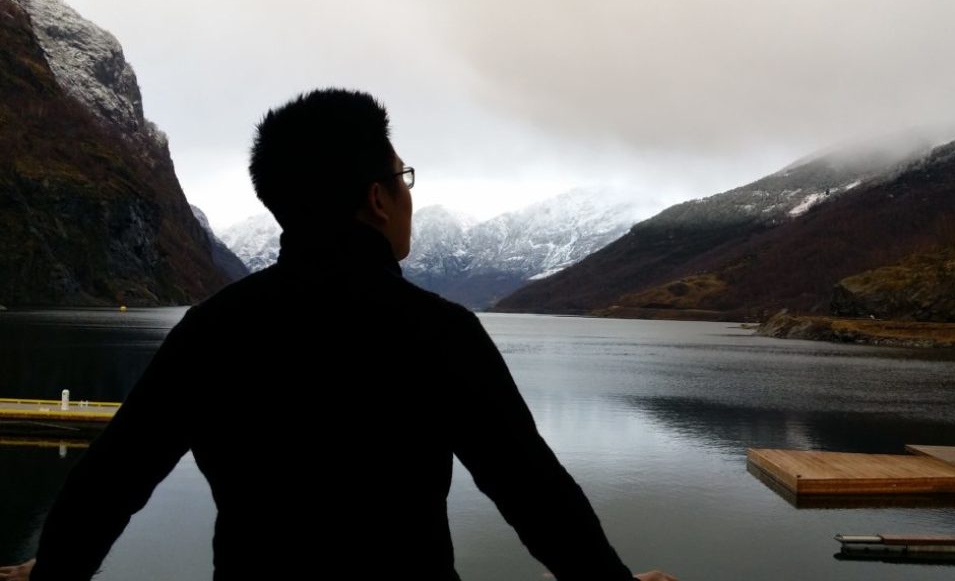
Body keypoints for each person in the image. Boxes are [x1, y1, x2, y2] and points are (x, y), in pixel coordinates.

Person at [1, 89, 676, 581]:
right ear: (378, 198)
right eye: (402, 179)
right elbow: (536, 497)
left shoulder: (215, 329)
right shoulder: (438, 331)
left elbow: (106, 485)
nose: (408, 196)